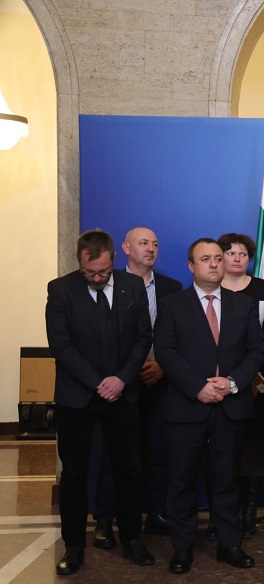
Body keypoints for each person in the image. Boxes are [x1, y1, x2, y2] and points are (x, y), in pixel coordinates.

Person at [45, 229, 155, 575]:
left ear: (113, 259)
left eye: (103, 272)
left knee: (129, 469)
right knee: (74, 474)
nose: (96, 278)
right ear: (80, 262)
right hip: (77, 397)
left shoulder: (132, 286)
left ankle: (132, 539)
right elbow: (61, 346)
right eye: (89, 272)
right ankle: (74, 546)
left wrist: (121, 378)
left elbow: (143, 338)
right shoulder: (60, 289)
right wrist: (97, 382)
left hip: (123, 393)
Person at [155, 238, 264, 573]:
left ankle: (230, 545)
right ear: (191, 266)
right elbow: (166, 352)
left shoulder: (244, 304)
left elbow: (255, 352)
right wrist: (197, 388)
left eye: (218, 258)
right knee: (182, 480)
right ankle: (183, 548)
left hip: (231, 407)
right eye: (206, 259)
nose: (214, 264)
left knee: (227, 479)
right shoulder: (172, 305)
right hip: (186, 407)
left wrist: (231, 383)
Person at [92, 226, 183, 545]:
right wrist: (123, 374)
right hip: (120, 383)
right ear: (126, 248)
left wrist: (163, 367)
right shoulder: (108, 282)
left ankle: (157, 513)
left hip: (160, 380)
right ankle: (105, 519)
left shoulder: (172, 288)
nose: (151, 249)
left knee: (159, 451)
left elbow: (180, 336)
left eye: (155, 244)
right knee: (113, 453)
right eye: (143, 243)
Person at [218, 232, 264, 537]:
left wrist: (251, 360)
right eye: (231, 253)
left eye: (243, 254)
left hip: (258, 378)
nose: (237, 258)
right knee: (220, 446)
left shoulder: (262, 288)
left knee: (253, 445)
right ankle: (222, 514)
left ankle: (248, 513)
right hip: (218, 378)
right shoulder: (211, 288)